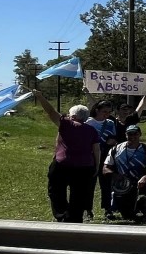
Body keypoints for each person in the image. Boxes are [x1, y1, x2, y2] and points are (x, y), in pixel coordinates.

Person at [34, 90, 99, 223]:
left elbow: (51, 112)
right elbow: (96, 150)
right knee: (79, 194)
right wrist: (96, 166)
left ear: (73, 115)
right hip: (85, 167)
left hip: (63, 165)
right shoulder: (92, 130)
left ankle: (62, 214)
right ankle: (75, 218)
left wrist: (40, 97)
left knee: (56, 190)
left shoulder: (67, 124)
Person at [103, 125, 146, 222]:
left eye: (135, 134)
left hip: (140, 181)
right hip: (122, 183)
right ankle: (134, 205)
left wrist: (145, 177)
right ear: (125, 135)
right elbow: (105, 168)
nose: (132, 136)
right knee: (127, 216)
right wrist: (116, 176)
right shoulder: (115, 149)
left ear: (140, 134)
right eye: (129, 134)